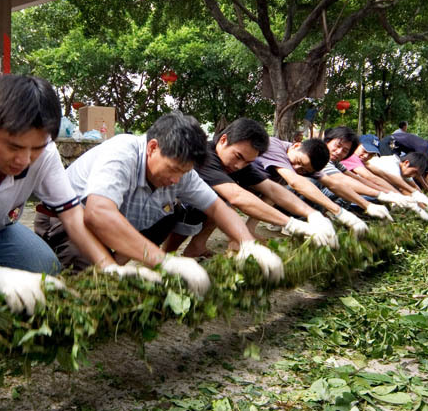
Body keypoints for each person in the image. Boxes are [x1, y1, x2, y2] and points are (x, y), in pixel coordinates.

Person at [0, 75, 163, 332]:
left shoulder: (45, 156)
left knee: (45, 268)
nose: (24, 160)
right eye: (13, 147)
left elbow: (73, 217)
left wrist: (109, 267)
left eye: (36, 148)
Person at [35, 113, 285, 296]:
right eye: (174, 169)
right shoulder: (122, 153)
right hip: (66, 222)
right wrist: (164, 261)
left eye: (184, 173)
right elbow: (97, 214)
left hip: (116, 221)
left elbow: (217, 207)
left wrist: (249, 245)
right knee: (82, 286)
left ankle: (113, 272)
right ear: (153, 147)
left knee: (169, 214)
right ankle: (96, 276)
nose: (177, 179)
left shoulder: (182, 170)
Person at [162, 118, 338, 258]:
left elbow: (271, 189)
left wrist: (312, 215)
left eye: (248, 162)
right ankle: (165, 257)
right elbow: (237, 196)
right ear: (223, 140)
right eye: (238, 156)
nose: (240, 166)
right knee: (200, 206)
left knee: (221, 204)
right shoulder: (204, 156)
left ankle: (195, 248)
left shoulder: (241, 164)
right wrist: (293, 224)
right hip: (162, 206)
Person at [252, 137, 370, 235]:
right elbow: (295, 181)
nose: (296, 168)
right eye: (298, 161)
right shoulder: (273, 146)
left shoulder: (309, 162)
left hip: (258, 189)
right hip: (237, 183)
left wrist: (370, 204)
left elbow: (333, 184)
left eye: (303, 169)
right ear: (296, 146)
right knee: (308, 184)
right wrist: (337, 211)